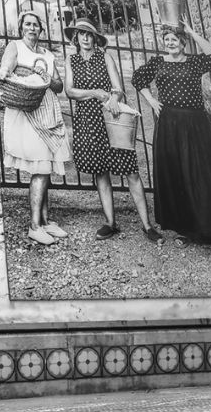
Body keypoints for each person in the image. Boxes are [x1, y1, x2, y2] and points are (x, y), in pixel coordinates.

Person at [132, 15, 211, 247]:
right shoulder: (158, 62)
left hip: (195, 123)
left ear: (182, 42)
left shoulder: (194, 62)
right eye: (166, 39)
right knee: (176, 173)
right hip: (169, 124)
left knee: (199, 173)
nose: (170, 43)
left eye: (174, 39)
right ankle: (183, 230)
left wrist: (191, 31)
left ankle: (206, 228)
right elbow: (138, 79)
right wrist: (151, 101)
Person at [64, 18, 163, 243]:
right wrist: (95, 93)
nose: (85, 38)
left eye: (89, 34)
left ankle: (147, 226)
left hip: (112, 117)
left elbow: (118, 89)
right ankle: (110, 222)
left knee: (130, 170)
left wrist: (112, 98)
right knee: (100, 171)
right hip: (88, 120)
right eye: (81, 34)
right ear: (76, 37)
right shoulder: (71, 60)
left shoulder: (105, 57)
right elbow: (69, 91)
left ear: (95, 38)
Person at [0, 11, 71, 246]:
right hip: (28, 112)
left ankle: (45, 221)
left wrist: (45, 74)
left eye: (35, 25)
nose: (31, 28)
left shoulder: (47, 55)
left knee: (45, 167)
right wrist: (3, 72)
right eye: (27, 24)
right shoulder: (15, 46)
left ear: (40, 29)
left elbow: (58, 86)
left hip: (48, 112)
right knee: (40, 168)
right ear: (21, 28)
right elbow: (6, 68)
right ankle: (34, 226)